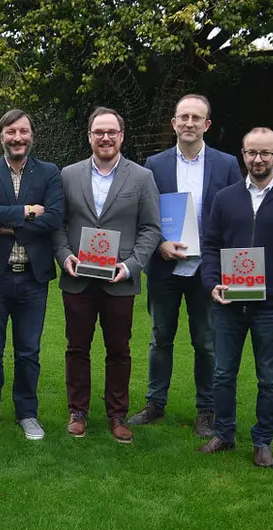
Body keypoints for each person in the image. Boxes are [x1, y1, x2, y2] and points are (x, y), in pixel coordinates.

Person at [130, 94, 242, 436]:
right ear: (174, 123)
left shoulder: (226, 165)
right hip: (165, 266)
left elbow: (235, 215)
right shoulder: (155, 164)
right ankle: (155, 403)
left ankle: (206, 411)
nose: (189, 123)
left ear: (207, 124)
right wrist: (159, 245)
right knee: (160, 337)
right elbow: (144, 214)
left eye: (197, 117)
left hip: (206, 271)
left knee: (206, 342)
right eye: (183, 117)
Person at [199, 127, 273, 468]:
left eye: (265, 153)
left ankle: (263, 440)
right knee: (222, 373)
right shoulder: (225, 197)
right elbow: (211, 245)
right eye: (251, 153)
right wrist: (211, 283)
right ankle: (224, 433)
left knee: (269, 378)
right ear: (242, 154)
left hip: (270, 306)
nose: (257, 159)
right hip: (228, 302)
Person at [53, 107, 162, 444]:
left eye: (111, 132)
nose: (105, 138)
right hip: (78, 277)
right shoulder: (68, 175)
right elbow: (57, 224)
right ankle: (78, 411)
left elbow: (150, 228)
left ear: (121, 136)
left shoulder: (141, 177)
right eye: (98, 132)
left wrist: (130, 265)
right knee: (77, 347)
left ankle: (117, 414)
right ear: (89, 136)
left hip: (119, 280)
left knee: (119, 349)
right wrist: (65, 255)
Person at [0, 109, 63, 441]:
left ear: (31, 135)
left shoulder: (49, 173)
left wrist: (5, 225)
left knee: (29, 351)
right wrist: (26, 213)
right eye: (11, 132)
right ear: (1, 136)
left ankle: (27, 413)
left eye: (23, 131)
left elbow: (54, 218)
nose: (17, 138)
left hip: (32, 278)